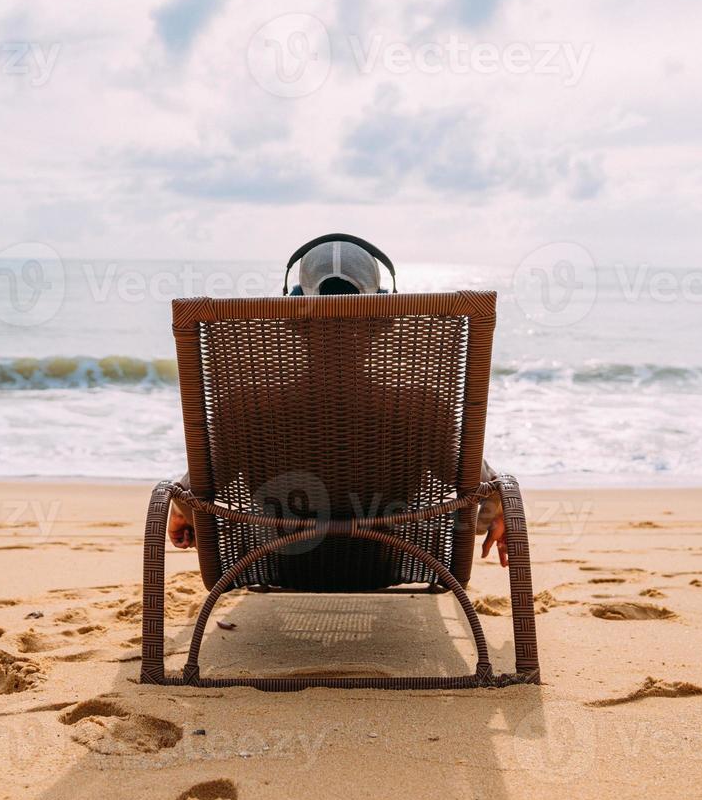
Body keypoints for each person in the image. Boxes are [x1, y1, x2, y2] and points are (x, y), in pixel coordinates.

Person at [166, 239, 512, 567]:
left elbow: (195, 496)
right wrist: (495, 510)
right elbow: (477, 496)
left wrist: (184, 511)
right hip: (391, 563)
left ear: (292, 317)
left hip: (278, 564)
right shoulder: (423, 411)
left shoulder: (245, 412)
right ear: (383, 319)